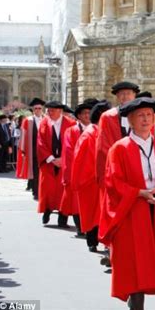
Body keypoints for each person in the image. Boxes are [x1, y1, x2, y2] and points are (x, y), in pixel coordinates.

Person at [98, 97, 155, 310]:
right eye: (140, 115)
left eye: (149, 115)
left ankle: (137, 300)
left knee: (147, 263)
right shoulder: (120, 149)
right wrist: (139, 193)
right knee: (132, 263)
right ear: (130, 121)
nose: (146, 119)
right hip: (130, 213)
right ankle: (136, 304)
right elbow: (113, 182)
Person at [96, 81, 139, 266]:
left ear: (134, 96)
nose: (125, 97)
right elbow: (103, 146)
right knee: (113, 212)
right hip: (114, 172)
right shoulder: (107, 117)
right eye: (121, 94)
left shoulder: (141, 115)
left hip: (137, 174)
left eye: (128, 94)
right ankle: (111, 249)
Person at [72, 101, 111, 252]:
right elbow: (83, 160)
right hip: (92, 181)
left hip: (99, 179)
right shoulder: (90, 134)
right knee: (94, 213)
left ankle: (97, 241)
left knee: (98, 213)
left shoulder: (99, 131)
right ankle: (92, 240)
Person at [60, 100, 97, 236]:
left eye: (89, 113)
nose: (87, 116)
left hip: (93, 173)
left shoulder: (97, 129)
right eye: (84, 113)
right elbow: (69, 152)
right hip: (78, 170)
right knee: (76, 202)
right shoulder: (71, 131)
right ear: (79, 116)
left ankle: (91, 228)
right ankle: (80, 227)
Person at [37, 101, 76, 227]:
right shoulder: (44, 122)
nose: (49, 113)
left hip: (65, 164)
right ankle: (47, 211)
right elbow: (40, 142)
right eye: (48, 110)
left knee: (63, 192)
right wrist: (51, 158)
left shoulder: (71, 123)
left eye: (52, 110)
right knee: (48, 191)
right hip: (49, 163)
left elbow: (73, 144)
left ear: (60, 111)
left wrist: (64, 159)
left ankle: (62, 218)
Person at [19, 98, 46, 199]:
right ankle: (36, 192)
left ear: (42, 108)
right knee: (35, 172)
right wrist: (23, 150)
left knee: (45, 172)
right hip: (33, 151)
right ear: (33, 110)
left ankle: (43, 191)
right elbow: (23, 136)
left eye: (39, 108)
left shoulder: (46, 119)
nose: (38, 110)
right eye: (36, 108)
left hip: (45, 151)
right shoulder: (28, 121)